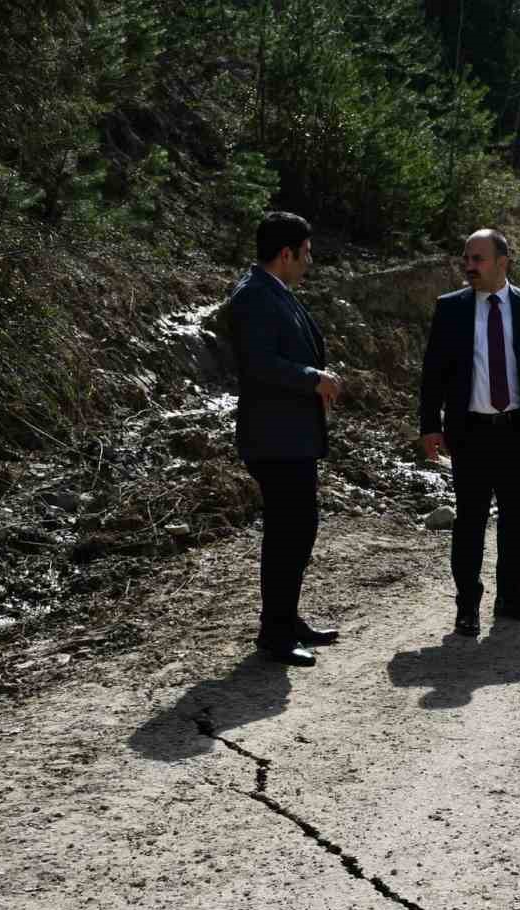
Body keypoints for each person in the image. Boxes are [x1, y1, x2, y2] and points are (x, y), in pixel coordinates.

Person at [419, 229, 520, 635]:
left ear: (503, 261)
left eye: (478, 258)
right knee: (470, 522)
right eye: (467, 258)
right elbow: (433, 374)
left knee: (516, 520)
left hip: (518, 428)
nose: (469, 266)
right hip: (471, 431)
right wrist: (430, 425)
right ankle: (468, 606)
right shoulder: (451, 309)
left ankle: (511, 601)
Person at [227, 212, 342, 667]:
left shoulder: (275, 292)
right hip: (273, 438)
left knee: (298, 529)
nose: (310, 261)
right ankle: (274, 634)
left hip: (291, 435)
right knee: (285, 534)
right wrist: (313, 378)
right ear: (286, 252)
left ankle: (287, 619)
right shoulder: (254, 296)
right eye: (307, 252)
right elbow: (258, 364)